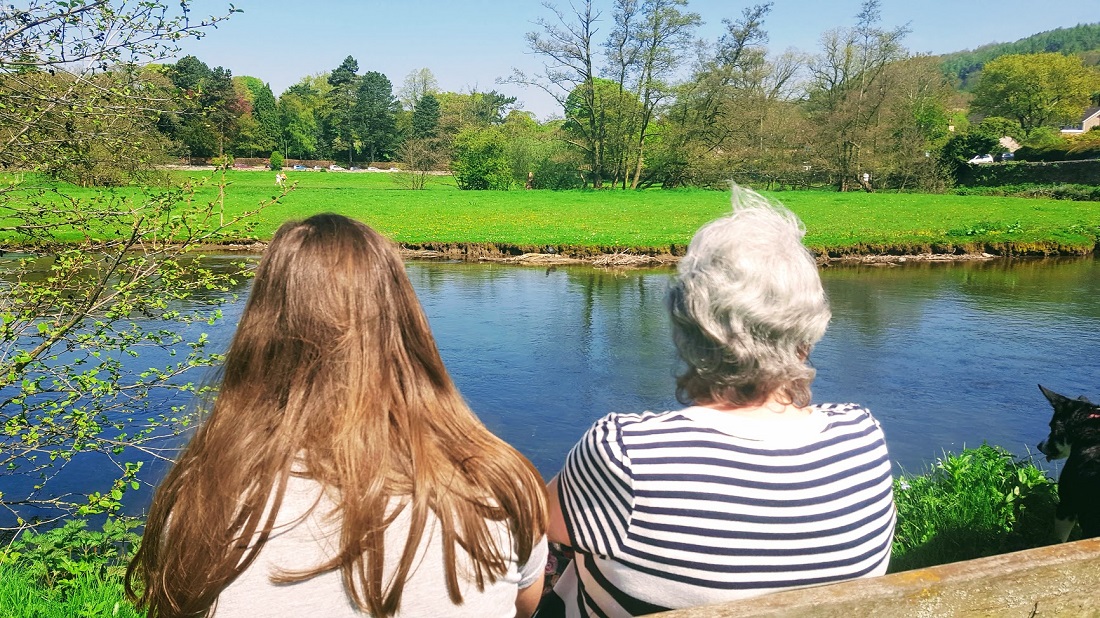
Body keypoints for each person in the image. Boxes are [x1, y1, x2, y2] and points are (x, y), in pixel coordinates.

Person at [126, 214, 548, 618]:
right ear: (405, 325)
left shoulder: (204, 494)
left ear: (260, 335)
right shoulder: (499, 481)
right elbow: (523, 604)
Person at [542, 187, 896, 617]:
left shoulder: (626, 452)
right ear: (810, 328)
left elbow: (541, 522)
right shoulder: (861, 437)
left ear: (687, 323)